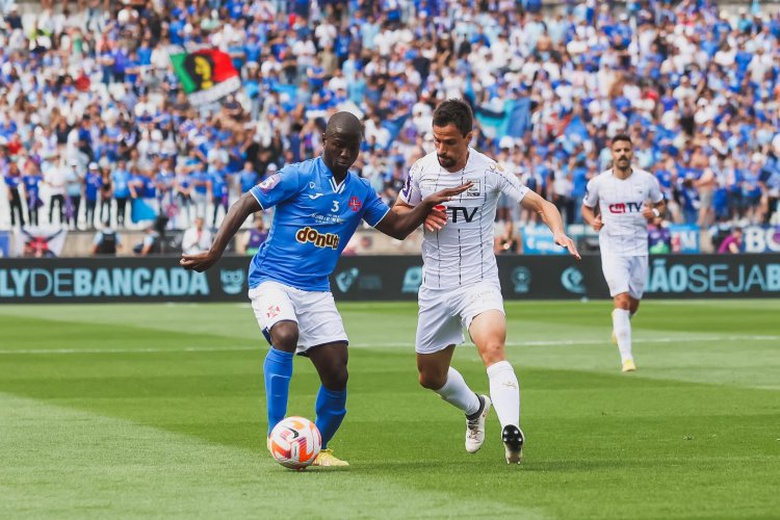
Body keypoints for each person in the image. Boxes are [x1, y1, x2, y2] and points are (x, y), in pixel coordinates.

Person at [180, 112, 468, 467]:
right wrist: (214, 252)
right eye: (338, 145)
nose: (345, 153)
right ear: (324, 141)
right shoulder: (297, 175)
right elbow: (244, 203)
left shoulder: (359, 191)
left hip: (315, 290)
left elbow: (396, 227)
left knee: (337, 371)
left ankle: (314, 448)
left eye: (353, 147)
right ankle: (277, 435)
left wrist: (424, 205)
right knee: (285, 334)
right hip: (272, 278)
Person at [393, 99, 580, 464]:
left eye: (450, 142)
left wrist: (558, 232)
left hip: (479, 281)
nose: (442, 150)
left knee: (492, 346)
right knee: (430, 377)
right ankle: (476, 407)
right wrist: (419, 214)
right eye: (437, 141)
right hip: (435, 286)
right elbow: (399, 211)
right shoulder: (422, 170)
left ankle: (512, 431)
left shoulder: (488, 171)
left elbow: (543, 205)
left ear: (469, 137)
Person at [581, 134, 666, 373]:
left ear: (632, 152)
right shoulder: (599, 182)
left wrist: (656, 214)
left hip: (639, 247)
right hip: (612, 248)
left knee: (634, 303)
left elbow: (661, 204)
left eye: (626, 150)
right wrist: (592, 222)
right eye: (618, 150)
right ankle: (627, 359)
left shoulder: (647, 180)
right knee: (621, 299)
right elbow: (586, 208)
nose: (622, 154)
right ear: (611, 153)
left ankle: (620, 325)